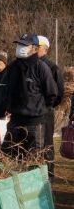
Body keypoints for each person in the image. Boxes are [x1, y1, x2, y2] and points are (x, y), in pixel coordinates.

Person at [2, 33, 57, 159]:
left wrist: (39, 108)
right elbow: (6, 89)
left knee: (34, 158)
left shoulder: (41, 67)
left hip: (35, 122)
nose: (20, 47)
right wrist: (7, 105)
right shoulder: (12, 67)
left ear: (35, 48)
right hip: (15, 120)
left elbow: (51, 93)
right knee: (9, 155)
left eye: (25, 45)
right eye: (19, 44)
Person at [37, 35, 64, 178]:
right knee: (34, 142)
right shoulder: (29, 65)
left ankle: (48, 174)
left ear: (45, 50)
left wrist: (49, 105)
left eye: (38, 47)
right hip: (32, 111)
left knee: (46, 142)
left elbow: (59, 92)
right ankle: (36, 172)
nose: (34, 49)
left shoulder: (52, 67)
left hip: (45, 111)